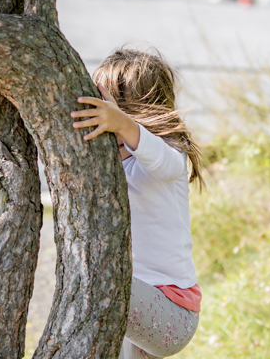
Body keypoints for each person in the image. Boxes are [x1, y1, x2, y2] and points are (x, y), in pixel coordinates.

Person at [71, 48, 205, 359]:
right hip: (138, 309)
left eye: (113, 115)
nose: (108, 126)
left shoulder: (169, 155)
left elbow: (163, 161)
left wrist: (124, 124)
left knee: (101, 279)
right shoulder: (113, 166)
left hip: (171, 312)